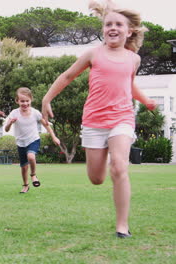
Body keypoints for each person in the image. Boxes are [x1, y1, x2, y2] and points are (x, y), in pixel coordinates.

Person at [41, 0, 156, 238]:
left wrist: (145, 101)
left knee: (120, 167)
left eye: (118, 24)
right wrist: (46, 99)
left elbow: (129, 85)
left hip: (122, 118)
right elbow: (68, 75)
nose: (112, 28)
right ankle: (104, 164)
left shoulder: (133, 59)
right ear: (103, 28)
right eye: (108, 24)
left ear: (129, 30)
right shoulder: (93, 54)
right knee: (96, 178)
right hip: (94, 120)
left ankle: (122, 226)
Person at [5, 88, 60, 194]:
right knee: (24, 167)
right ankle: (25, 185)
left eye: (27, 101)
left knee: (31, 156)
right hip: (21, 143)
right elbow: (6, 129)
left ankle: (33, 175)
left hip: (33, 140)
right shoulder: (14, 113)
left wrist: (54, 137)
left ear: (31, 100)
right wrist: (10, 123)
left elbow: (46, 125)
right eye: (22, 101)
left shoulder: (35, 113)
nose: (25, 103)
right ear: (17, 101)